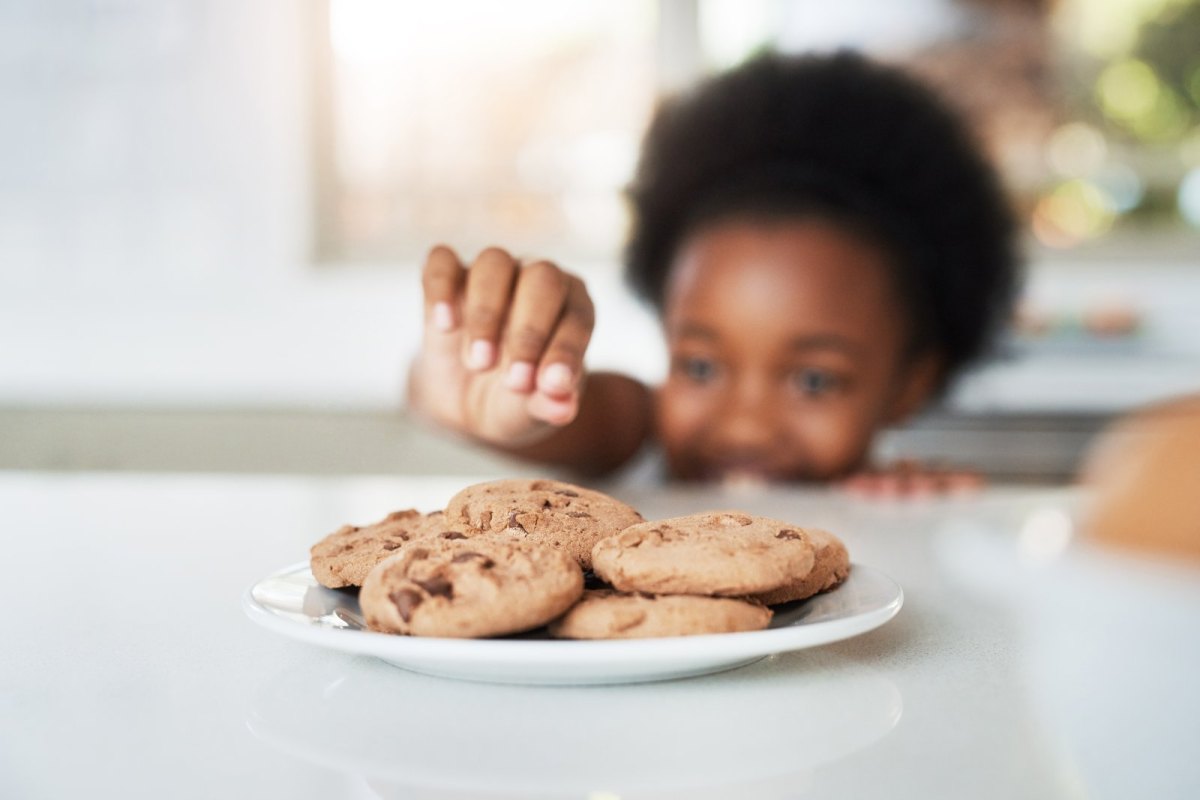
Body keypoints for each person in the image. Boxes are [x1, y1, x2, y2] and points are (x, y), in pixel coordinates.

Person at [407, 51, 1020, 489]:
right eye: (699, 367)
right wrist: (480, 386)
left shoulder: (890, 499)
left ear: (911, 384)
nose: (744, 426)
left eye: (814, 381)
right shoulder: (638, 429)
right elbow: (565, 416)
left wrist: (914, 521)